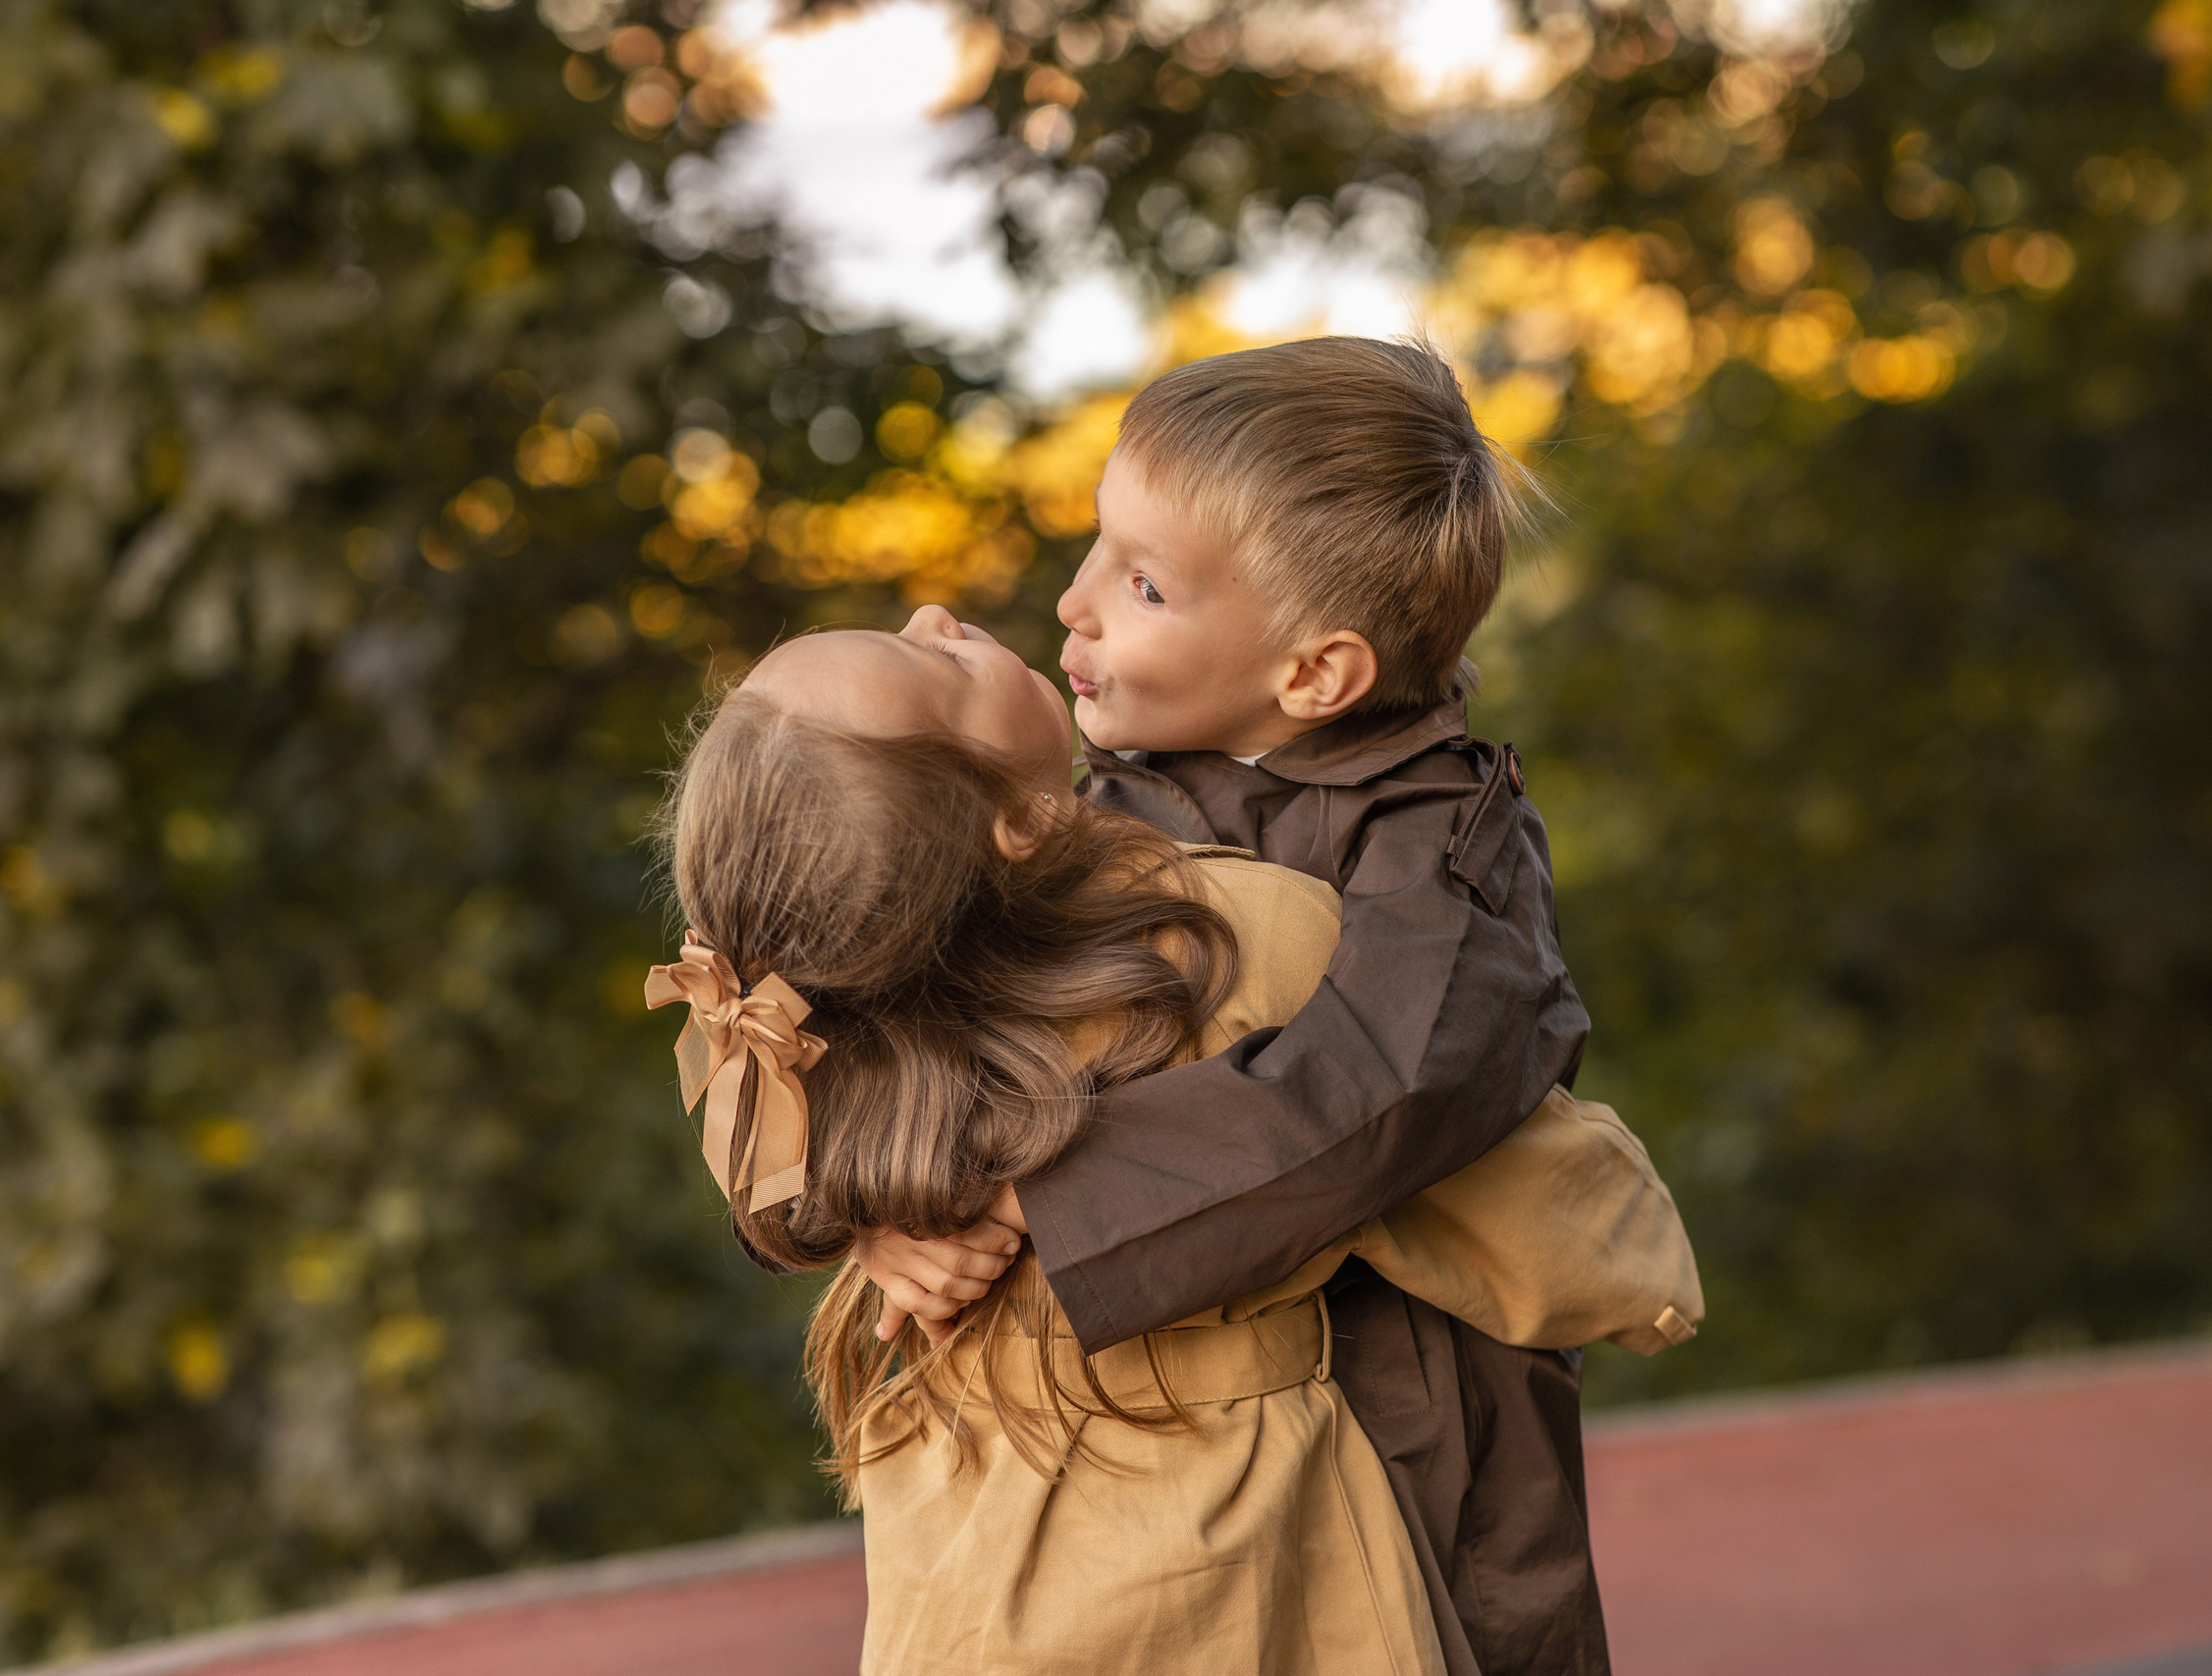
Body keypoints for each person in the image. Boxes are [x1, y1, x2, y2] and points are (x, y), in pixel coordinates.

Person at [648, 609, 1698, 1675]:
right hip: (1237, 1566)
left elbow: (757, 1131)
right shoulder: (1232, 940)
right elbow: (1475, 1169)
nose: (931, 615)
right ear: (1015, 822)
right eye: (934, 663)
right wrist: (1637, 1273)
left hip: (967, 1607)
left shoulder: (819, 1038)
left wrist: (870, 1212)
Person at [853, 338, 1677, 1675]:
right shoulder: (1089, 804)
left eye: (1144, 581)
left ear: (1315, 674)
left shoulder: (1439, 855)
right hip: (1138, 1464)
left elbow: (1372, 1086)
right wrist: (872, 1201)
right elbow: (828, 1001)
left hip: (1406, 1431)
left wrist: (1035, 1195)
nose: (1071, 603)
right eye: (1096, 544)